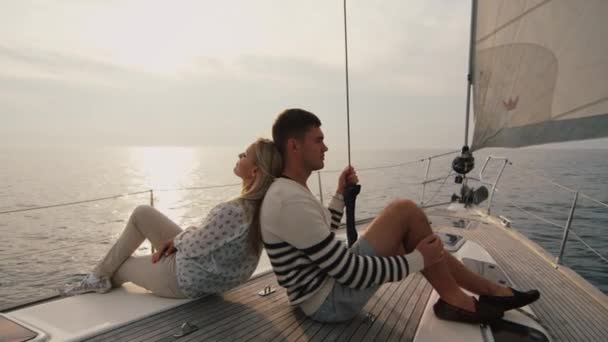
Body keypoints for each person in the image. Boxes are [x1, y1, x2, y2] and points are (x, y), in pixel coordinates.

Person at [260, 108, 539, 324]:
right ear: (294, 146)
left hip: (322, 291)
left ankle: (486, 290)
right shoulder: (288, 199)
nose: (325, 147)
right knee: (404, 211)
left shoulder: (291, 191)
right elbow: (348, 272)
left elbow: (320, 235)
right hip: (327, 303)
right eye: (318, 140)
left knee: (407, 221)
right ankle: (458, 300)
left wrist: (339, 195)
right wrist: (417, 260)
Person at [62, 138, 283, 299]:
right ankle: (97, 277)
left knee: (120, 265)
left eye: (244, 155)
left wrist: (177, 241)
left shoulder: (236, 210)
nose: (239, 156)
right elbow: (208, 239)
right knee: (142, 212)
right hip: (211, 276)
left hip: (185, 280)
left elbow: (192, 247)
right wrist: (179, 241)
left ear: (254, 171)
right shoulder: (261, 207)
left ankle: (99, 278)